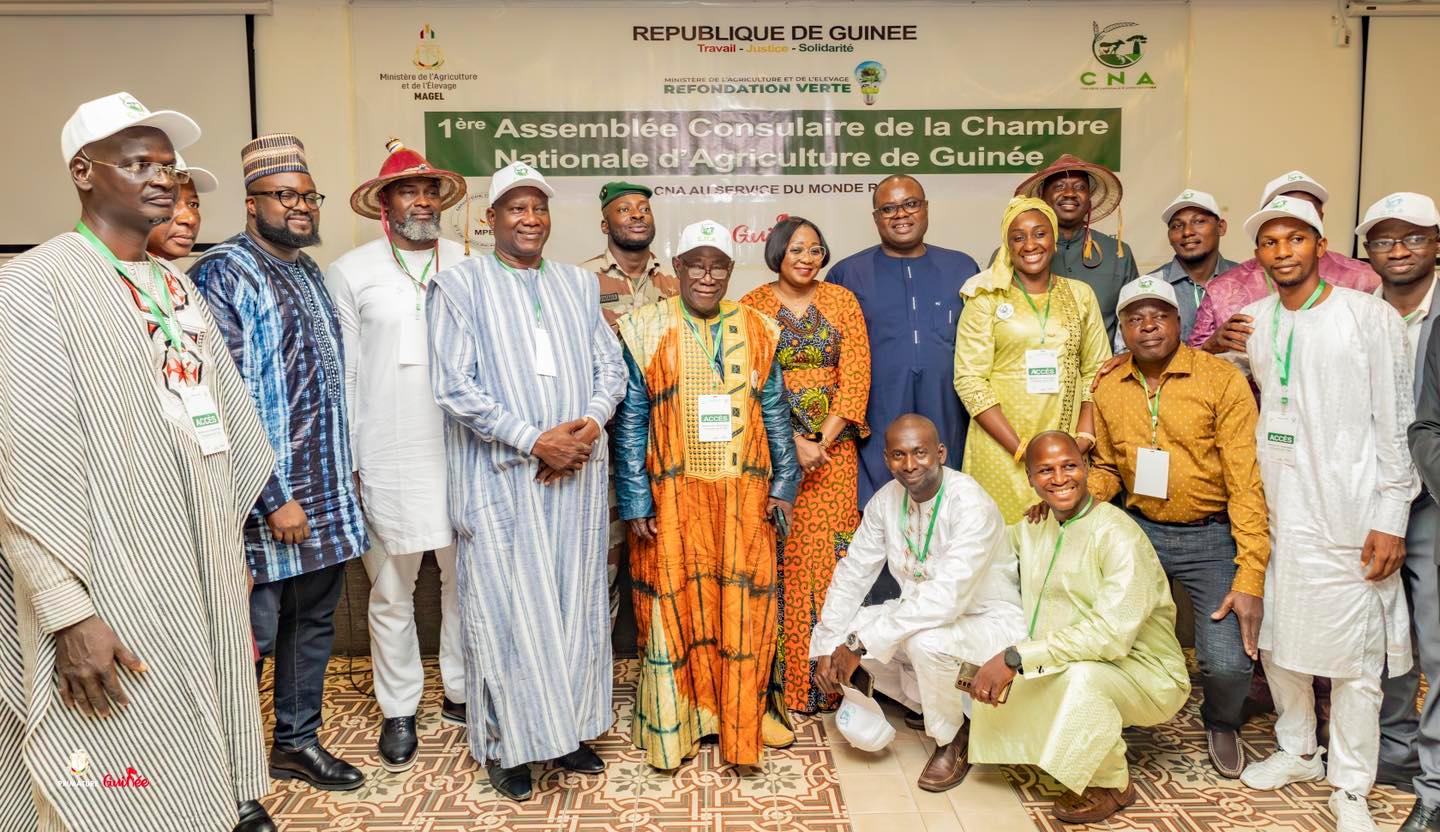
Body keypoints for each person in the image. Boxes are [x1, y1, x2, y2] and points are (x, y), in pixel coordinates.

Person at [0, 92, 279, 832]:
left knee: (195, 760)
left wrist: (225, 544)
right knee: (120, 773)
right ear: (84, 172)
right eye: (138, 163)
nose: (161, 177)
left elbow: (223, 429)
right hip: (109, 577)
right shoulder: (31, 289)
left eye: (167, 164)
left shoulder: (176, 284)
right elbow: (27, 468)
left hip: (196, 563)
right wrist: (69, 613)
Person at [426, 161, 626, 801]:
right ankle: (505, 744)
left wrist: (585, 431)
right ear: (491, 220)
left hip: (577, 480)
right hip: (500, 480)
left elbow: (610, 368)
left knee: (574, 607)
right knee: (505, 611)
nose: (530, 219)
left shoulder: (575, 284)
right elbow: (454, 385)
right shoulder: (458, 286)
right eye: (515, 208)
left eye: (538, 207)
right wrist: (533, 439)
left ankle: (567, 734)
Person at [191, 134, 368, 792]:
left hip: (324, 489)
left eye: (308, 195)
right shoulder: (222, 273)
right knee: (248, 646)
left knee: (313, 623)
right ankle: (225, 777)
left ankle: (296, 743)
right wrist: (272, 497)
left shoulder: (307, 269)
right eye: (284, 195)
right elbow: (220, 396)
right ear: (251, 203)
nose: (300, 207)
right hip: (266, 502)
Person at [1235, 196, 1416, 832]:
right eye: (1269, 242)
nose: (1282, 251)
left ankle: (1350, 784)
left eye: (1295, 239)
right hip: (1281, 513)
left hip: (1351, 511)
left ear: (1320, 245)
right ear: (1256, 254)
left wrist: (1392, 511)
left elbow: (1398, 420)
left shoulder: (1367, 316)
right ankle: (1297, 750)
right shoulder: (1253, 320)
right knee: (1280, 641)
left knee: (1353, 661)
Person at [613, 220, 803, 770]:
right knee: (673, 605)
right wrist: (635, 499)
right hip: (671, 494)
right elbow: (630, 419)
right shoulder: (644, 327)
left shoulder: (759, 327)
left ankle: (742, 715)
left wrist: (785, 485)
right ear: (677, 270)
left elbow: (774, 409)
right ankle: (679, 723)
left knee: (743, 604)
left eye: (718, 265)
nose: (706, 275)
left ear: (730, 270)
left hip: (745, 492)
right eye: (695, 264)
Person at [325, 138, 470, 772]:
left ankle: (465, 694)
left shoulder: (470, 263)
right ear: (384, 203)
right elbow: (345, 372)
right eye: (407, 190)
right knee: (391, 589)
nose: (420, 199)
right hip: (386, 451)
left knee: (468, 584)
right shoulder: (351, 271)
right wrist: (350, 456)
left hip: (466, 450)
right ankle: (400, 708)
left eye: (428, 189)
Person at [1089, 275, 1268, 778]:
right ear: (1121, 327)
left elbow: (1246, 482)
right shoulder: (1107, 384)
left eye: (1159, 315)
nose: (1147, 326)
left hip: (1211, 535)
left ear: (1179, 322)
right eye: (1134, 317)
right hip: (1138, 527)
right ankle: (1111, 712)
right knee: (1107, 632)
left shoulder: (1221, 379)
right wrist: (1079, 499)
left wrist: (1250, 574)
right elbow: (1106, 467)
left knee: (1229, 663)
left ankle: (1222, 721)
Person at [968, 432, 1190, 825]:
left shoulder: (1117, 534)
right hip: (1073, 656)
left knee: (1079, 678)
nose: (1059, 478)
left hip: (1147, 673)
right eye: (1046, 471)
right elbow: (985, 546)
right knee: (982, 645)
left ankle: (1111, 784)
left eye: (1069, 466)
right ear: (1031, 480)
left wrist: (1017, 658)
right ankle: (1047, 748)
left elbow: (1109, 635)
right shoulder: (1036, 526)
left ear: (1086, 468)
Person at [810, 414, 1023, 791]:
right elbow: (854, 572)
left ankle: (953, 737)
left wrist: (860, 643)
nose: (909, 465)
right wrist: (831, 643)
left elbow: (945, 600)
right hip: (923, 618)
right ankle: (925, 702)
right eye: (898, 455)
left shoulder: (970, 502)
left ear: (940, 453)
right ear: (886, 459)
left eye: (920, 453)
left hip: (987, 622)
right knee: (846, 629)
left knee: (920, 642)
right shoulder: (885, 501)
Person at [741, 217, 871, 713]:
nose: (807, 257)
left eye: (816, 249)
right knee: (780, 564)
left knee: (832, 566)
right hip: (773, 456)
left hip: (834, 460)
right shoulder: (751, 306)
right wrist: (791, 443)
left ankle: (827, 681)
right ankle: (778, 682)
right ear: (777, 251)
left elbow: (856, 375)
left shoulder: (842, 301)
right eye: (796, 248)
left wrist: (821, 440)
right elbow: (745, 383)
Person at [953, 197, 1110, 524]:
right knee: (1001, 550)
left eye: (1039, 233)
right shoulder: (986, 298)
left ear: (1054, 239)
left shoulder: (1080, 295)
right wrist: (1020, 449)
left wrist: (1083, 438)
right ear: (1007, 246)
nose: (1029, 244)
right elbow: (969, 380)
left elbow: (1096, 370)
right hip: (999, 447)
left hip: (1064, 451)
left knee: (1062, 546)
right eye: (1018, 237)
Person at [826, 175, 974, 516]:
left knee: (950, 509)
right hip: (877, 412)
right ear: (876, 218)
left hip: (946, 408)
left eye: (910, 204)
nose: (900, 214)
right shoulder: (847, 274)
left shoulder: (962, 268)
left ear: (925, 209)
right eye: (888, 208)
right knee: (880, 512)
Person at [1363, 193, 1440, 829]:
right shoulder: (1360, 314)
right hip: (1373, 493)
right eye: (1385, 242)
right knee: (1383, 634)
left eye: (1412, 238)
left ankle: (1436, 789)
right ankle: (1395, 750)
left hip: (1436, 498)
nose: (1399, 251)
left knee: (1435, 647)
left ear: (1436, 242)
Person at [578, 180, 678, 632]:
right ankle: (594, 668)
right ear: (605, 222)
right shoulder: (579, 281)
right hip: (606, 439)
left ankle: (661, 662)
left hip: (666, 441)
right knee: (605, 554)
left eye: (643, 209)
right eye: (625, 209)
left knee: (667, 549)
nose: (637, 215)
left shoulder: (676, 283)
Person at [1189, 170, 1379, 355]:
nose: (1293, 212)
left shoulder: (1364, 280)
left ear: (1320, 217)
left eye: (1306, 208)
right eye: (1282, 206)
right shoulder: (1223, 289)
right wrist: (1211, 346)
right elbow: (1190, 365)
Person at [1012, 154, 1139, 339]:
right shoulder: (1017, 253)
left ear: (1089, 199)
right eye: (1059, 186)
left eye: (1080, 187)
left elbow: (1135, 318)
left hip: (1101, 365)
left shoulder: (1118, 253)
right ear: (1042, 197)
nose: (1070, 193)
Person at [1134, 189, 1237, 345]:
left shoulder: (1246, 280)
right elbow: (1131, 355)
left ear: (1221, 227)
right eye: (1176, 226)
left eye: (1199, 221)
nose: (1187, 232)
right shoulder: (1149, 287)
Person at [146, 152, 218, 260]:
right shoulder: (113, 273)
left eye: (193, 204)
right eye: (169, 200)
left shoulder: (170, 274)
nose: (191, 219)